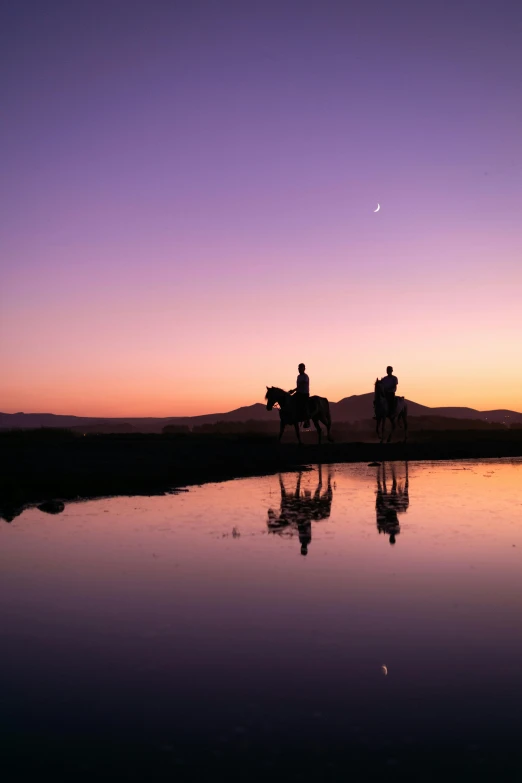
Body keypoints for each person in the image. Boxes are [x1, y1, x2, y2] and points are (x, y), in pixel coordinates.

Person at [289, 363, 310, 428]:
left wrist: (293, 390)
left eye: (301, 368)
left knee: (303, 405)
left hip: (304, 394)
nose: (299, 369)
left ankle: (307, 421)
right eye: (299, 368)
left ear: (304, 369)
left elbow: (301, 385)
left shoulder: (305, 377)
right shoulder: (298, 376)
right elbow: (298, 386)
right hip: (299, 393)